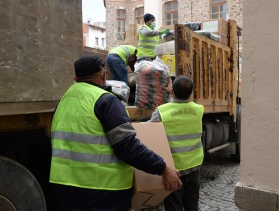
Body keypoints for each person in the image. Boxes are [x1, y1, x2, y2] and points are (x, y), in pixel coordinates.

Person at [49, 55, 182, 211]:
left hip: (64, 188)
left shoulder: (63, 101)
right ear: (103, 73)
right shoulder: (106, 101)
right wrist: (163, 169)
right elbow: (127, 146)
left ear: (75, 78)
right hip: (102, 192)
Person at [148, 76, 205, 211]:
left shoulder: (162, 111)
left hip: (174, 169)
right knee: (192, 205)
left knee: (174, 205)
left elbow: (149, 132)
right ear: (191, 93)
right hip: (194, 166)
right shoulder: (199, 110)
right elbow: (185, 105)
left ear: (172, 90)